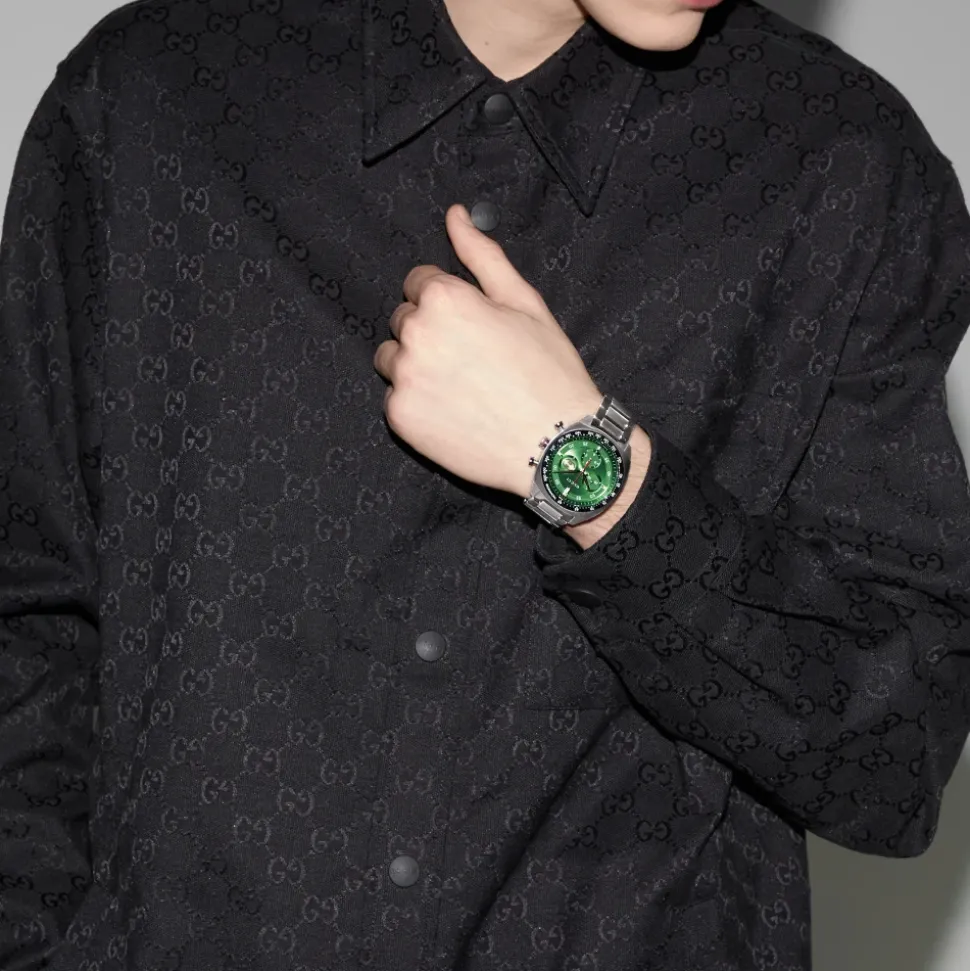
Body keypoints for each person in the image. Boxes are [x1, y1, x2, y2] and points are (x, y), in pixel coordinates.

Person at [1, 0, 969, 967]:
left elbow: (892, 762)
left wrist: (587, 467)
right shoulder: (153, 97)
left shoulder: (841, 163)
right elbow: (28, 622)